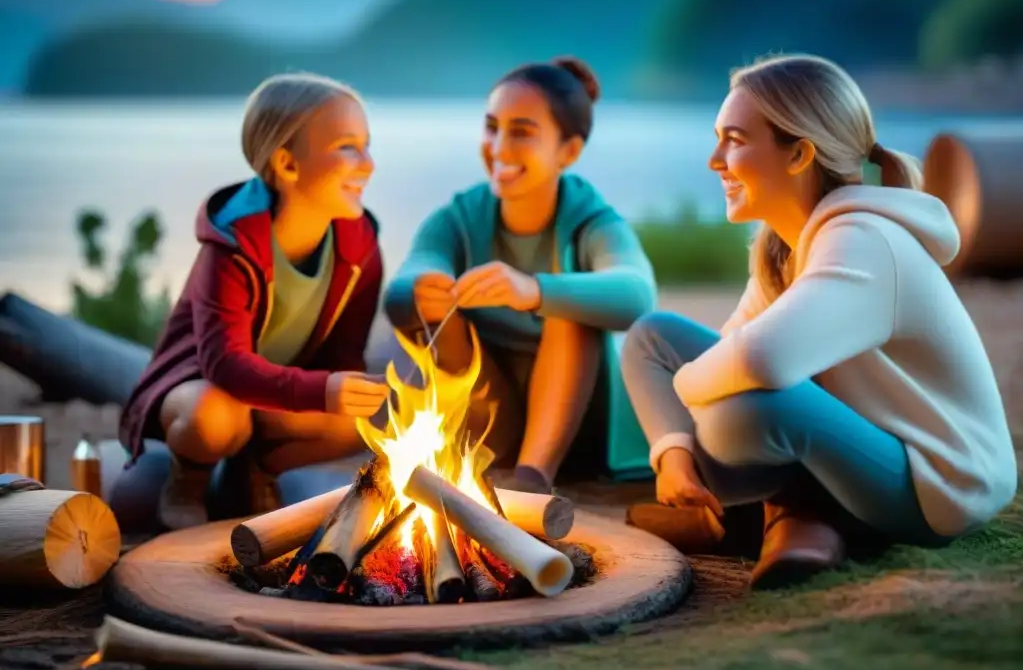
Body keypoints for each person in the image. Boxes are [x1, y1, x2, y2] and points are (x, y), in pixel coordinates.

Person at [620, 54, 1018, 589]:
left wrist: (689, 386)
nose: (716, 159)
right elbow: (733, 348)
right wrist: (675, 454)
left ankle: (786, 519)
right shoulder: (782, 250)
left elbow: (760, 358)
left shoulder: (864, 241)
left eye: (735, 139)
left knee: (737, 415)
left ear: (799, 153)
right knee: (651, 338)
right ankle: (749, 509)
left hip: (934, 485)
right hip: (854, 448)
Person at [119, 73, 390, 531]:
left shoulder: (360, 246)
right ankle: (188, 479)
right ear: (286, 164)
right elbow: (225, 365)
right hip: (204, 388)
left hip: (272, 400)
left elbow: (344, 356)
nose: (368, 164)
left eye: (367, 145)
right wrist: (321, 390)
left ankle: (258, 469)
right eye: (348, 146)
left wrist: (350, 391)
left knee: (365, 420)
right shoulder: (231, 244)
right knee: (214, 417)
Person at [383, 57, 656, 494]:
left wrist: (533, 290)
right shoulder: (460, 216)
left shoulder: (592, 220)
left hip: (576, 429)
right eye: (492, 126)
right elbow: (403, 285)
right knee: (437, 313)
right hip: (490, 422)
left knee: (569, 310)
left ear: (569, 151)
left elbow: (638, 294)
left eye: (522, 132)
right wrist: (423, 287)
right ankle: (479, 463)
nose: (499, 147)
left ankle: (533, 479)